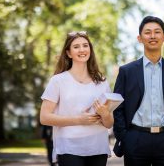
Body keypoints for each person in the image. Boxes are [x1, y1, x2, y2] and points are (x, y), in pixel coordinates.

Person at [113, 16, 164, 166]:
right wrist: (125, 137)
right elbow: (118, 107)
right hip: (135, 139)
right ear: (139, 38)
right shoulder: (126, 71)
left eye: (157, 32)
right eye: (147, 32)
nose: (153, 36)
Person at [40, 31, 114, 166]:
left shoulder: (102, 82)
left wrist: (105, 114)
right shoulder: (58, 81)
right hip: (69, 146)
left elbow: (109, 124)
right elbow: (44, 117)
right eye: (76, 46)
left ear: (90, 50)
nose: (82, 49)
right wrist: (79, 120)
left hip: (97, 146)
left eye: (85, 45)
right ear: (68, 53)